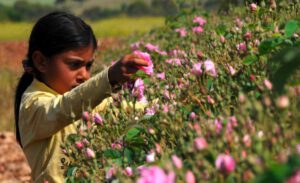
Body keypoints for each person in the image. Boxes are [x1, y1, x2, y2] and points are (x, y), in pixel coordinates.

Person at [14, 11, 149, 183]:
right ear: (41, 62)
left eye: (88, 65)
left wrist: (170, 103)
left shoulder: (85, 101)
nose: (84, 75)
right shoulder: (33, 104)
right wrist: (109, 78)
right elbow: (63, 107)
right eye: (74, 64)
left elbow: (120, 108)